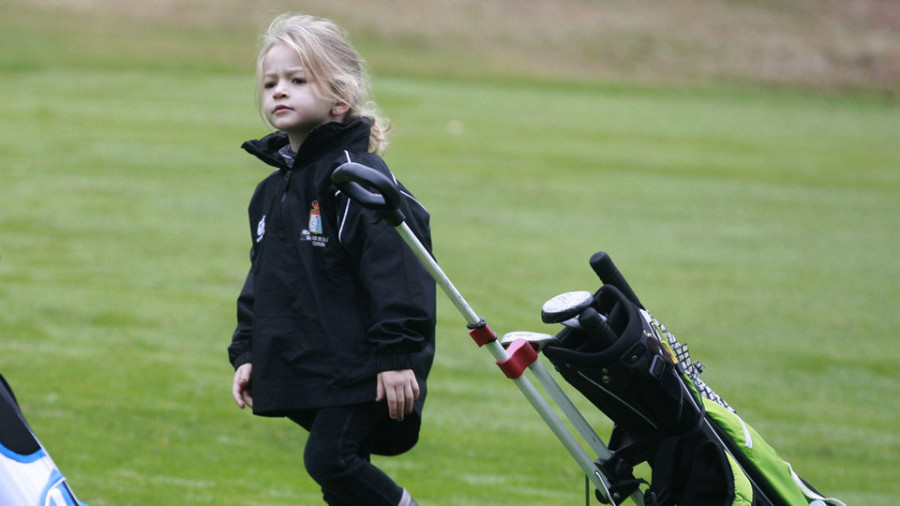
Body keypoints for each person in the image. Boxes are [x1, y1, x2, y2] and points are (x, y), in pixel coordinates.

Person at [228, 13, 436, 506]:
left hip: (365, 366)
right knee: (337, 474)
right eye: (271, 82)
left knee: (331, 460)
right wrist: (248, 351)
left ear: (340, 98)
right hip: (312, 365)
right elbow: (265, 279)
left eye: (298, 81)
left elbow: (399, 269)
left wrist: (396, 356)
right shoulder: (271, 192)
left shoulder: (356, 178)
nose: (279, 91)